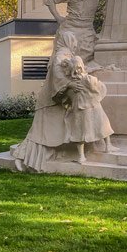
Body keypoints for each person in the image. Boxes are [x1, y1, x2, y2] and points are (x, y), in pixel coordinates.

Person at [12, 31, 79, 171]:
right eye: (73, 40)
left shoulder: (66, 55)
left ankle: (44, 156)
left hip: (55, 102)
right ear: (69, 41)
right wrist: (69, 84)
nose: (76, 43)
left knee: (48, 133)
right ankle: (21, 157)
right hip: (49, 103)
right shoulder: (61, 55)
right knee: (38, 134)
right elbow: (58, 76)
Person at [62, 55, 117, 164]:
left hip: (78, 108)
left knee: (79, 131)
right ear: (82, 66)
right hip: (93, 106)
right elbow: (99, 87)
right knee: (103, 125)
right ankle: (108, 146)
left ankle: (81, 156)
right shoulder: (88, 79)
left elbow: (67, 97)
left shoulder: (71, 83)